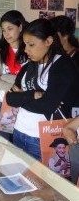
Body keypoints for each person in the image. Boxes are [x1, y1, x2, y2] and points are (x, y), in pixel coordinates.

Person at [6, 18, 78, 161]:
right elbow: (10, 98)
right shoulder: (28, 66)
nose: (26, 50)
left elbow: (47, 106)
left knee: (39, 181)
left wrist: (22, 97)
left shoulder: (62, 66)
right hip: (19, 130)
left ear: (49, 41)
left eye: (31, 44)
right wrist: (32, 94)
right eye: (25, 44)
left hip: (43, 137)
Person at [0, 10, 27, 139]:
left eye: (10, 28)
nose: (6, 34)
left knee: (18, 147)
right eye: (3, 30)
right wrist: (12, 85)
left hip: (23, 107)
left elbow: (28, 81)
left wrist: (3, 77)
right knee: (1, 147)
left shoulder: (30, 51)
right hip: (0, 104)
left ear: (20, 27)